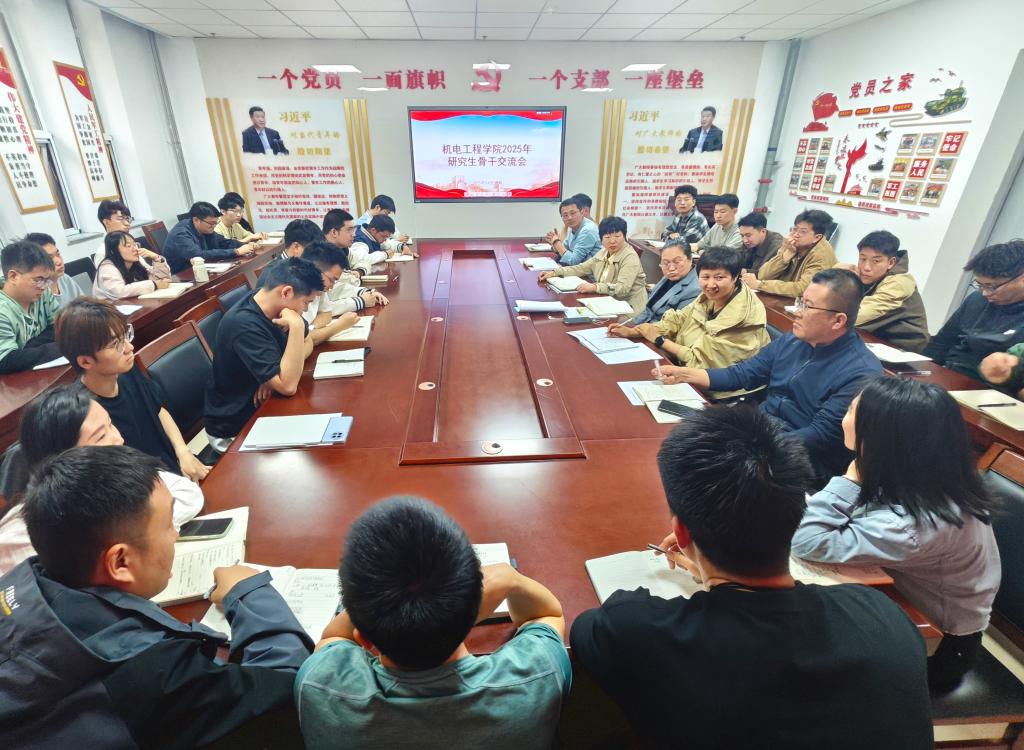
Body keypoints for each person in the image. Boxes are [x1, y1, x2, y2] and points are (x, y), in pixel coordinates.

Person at [570, 406, 932, 749]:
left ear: (680, 533)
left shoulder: (634, 628)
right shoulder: (882, 615)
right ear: (797, 516)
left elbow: (585, 630)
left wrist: (708, 573)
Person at [0, 445, 312, 747]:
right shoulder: (152, 675)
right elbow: (290, 694)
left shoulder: (20, 583)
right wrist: (249, 592)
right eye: (167, 524)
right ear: (121, 562)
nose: (176, 534)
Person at [295, 496, 570, 750]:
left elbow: (334, 639)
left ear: (364, 639)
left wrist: (367, 601)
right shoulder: (539, 675)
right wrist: (510, 579)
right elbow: (547, 615)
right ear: (474, 614)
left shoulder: (318, 685)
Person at [792, 376, 1001, 692]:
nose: (842, 419)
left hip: (937, 647)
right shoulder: (924, 475)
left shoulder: (919, 522)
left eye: (850, 411)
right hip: (900, 605)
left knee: (800, 660)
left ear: (880, 436)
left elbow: (808, 541)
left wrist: (849, 481)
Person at [656, 269, 883, 481]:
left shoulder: (861, 373)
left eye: (808, 306)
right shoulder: (794, 340)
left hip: (799, 460)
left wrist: (744, 444)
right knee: (679, 444)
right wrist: (685, 374)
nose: (797, 312)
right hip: (760, 431)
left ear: (838, 320)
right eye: (800, 302)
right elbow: (744, 374)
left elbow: (817, 436)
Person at [0, 384, 204, 575]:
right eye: (100, 436)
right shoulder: (25, 536)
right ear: (63, 458)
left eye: (111, 424)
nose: (118, 438)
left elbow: (188, 493)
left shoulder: (110, 479)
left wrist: (143, 531)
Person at [56, 298, 211, 483]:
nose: (129, 348)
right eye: (115, 344)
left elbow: (159, 410)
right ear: (85, 361)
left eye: (125, 335)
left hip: (174, 472)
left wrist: (183, 452)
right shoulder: (86, 413)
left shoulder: (127, 371)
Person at [611, 247, 768, 397]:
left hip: (721, 391)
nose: (711, 284)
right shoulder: (710, 296)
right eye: (705, 277)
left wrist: (659, 340)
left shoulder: (741, 318)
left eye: (719, 278)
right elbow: (679, 319)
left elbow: (702, 364)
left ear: (735, 277)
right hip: (686, 370)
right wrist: (637, 331)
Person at [204, 258, 322, 452]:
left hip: (265, 407)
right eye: (306, 302)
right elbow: (288, 386)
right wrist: (296, 327)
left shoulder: (272, 302)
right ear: (286, 292)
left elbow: (307, 342)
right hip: (236, 427)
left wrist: (275, 373)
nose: (306, 310)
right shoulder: (244, 324)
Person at [925, 240, 1024, 379]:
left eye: (992, 286)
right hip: (948, 374)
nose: (985, 293)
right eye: (980, 285)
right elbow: (942, 343)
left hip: (990, 386)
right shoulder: (977, 300)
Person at [841, 230, 929, 353]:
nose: (866, 267)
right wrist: (838, 274)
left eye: (876, 261)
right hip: (872, 340)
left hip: (903, 350)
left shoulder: (899, 283)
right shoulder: (863, 275)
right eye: (862, 259)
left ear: (891, 263)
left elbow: (859, 314)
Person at [539, 216, 648, 314]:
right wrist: (555, 272)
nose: (612, 241)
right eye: (607, 237)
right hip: (606, 301)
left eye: (617, 236)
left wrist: (596, 287)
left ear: (624, 236)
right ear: (601, 239)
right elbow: (582, 268)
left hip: (628, 309)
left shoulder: (630, 257)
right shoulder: (604, 252)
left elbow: (622, 289)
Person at [0, 240, 61, 373]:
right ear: (13, 276)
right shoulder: (3, 310)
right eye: (38, 280)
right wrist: (60, 347)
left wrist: (29, 347)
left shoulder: (43, 292)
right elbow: (6, 360)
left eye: (47, 280)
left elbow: (60, 326)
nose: (44, 286)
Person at [745, 209, 836, 296]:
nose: (795, 234)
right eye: (795, 229)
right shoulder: (791, 244)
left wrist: (760, 285)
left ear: (817, 237)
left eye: (803, 232)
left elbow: (803, 289)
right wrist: (784, 258)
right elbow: (762, 275)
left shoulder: (821, 255)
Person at [321, 209, 388, 314]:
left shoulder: (343, 249)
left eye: (354, 230)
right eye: (349, 230)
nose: (354, 235)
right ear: (334, 232)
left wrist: (359, 272)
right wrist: (361, 298)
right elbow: (333, 291)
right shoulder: (319, 254)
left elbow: (364, 261)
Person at [162, 201, 259, 274]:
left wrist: (245, 245)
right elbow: (199, 255)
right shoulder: (180, 234)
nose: (214, 226)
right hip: (182, 276)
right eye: (211, 223)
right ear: (196, 220)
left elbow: (223, 242)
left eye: (216, 223)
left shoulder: (205, 228)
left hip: (204, 270)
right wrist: (235, 252)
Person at [625, 240, 699, 324]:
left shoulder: (695, 289)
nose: (671, 268)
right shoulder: (671, 276)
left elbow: (675, 325)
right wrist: (632, 324)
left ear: (690, 259)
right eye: (666, 263)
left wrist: (636, 330)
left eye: (677, 262)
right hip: (645, 325)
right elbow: (649, 309)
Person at [299, 241, 359, 344]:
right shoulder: (293, 293)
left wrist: (312, 328)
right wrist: (340, 325)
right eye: (331, 280)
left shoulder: (319, 288)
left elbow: (326, 314)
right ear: (315, 270)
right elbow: (303, 340)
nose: (332, 286)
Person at [94, 231, 172, 300]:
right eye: (128, 246)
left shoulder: (134, 262)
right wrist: (154, 285)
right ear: (113, 251)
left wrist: (157, 258)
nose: (135, 249)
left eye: (135, 244)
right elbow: (119, 292)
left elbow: (162, 280)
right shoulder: (107, 267)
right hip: (110, 309)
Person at [25, 233, 85, 310]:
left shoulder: (64, 278)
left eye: (58, 254)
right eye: (49, 258)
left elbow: (85, 306)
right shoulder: (37, 292)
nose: (59, 261)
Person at [545, 196, 600, 266]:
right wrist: (554, 242)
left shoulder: (588, 230)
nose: (570, 218)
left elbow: (573, 261)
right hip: (579, 269)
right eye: (565, 215)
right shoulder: (574, 228)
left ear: (582, 212)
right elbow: (565, 248)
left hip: (591, 272)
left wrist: (556, 242)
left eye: (573, 213)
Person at [93, 199, 133, 266]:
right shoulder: (103, 253)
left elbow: (145, 269)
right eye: (120, 219)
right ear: (107, 222)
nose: (127, 223)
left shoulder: (131, 245)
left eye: (127, 219)